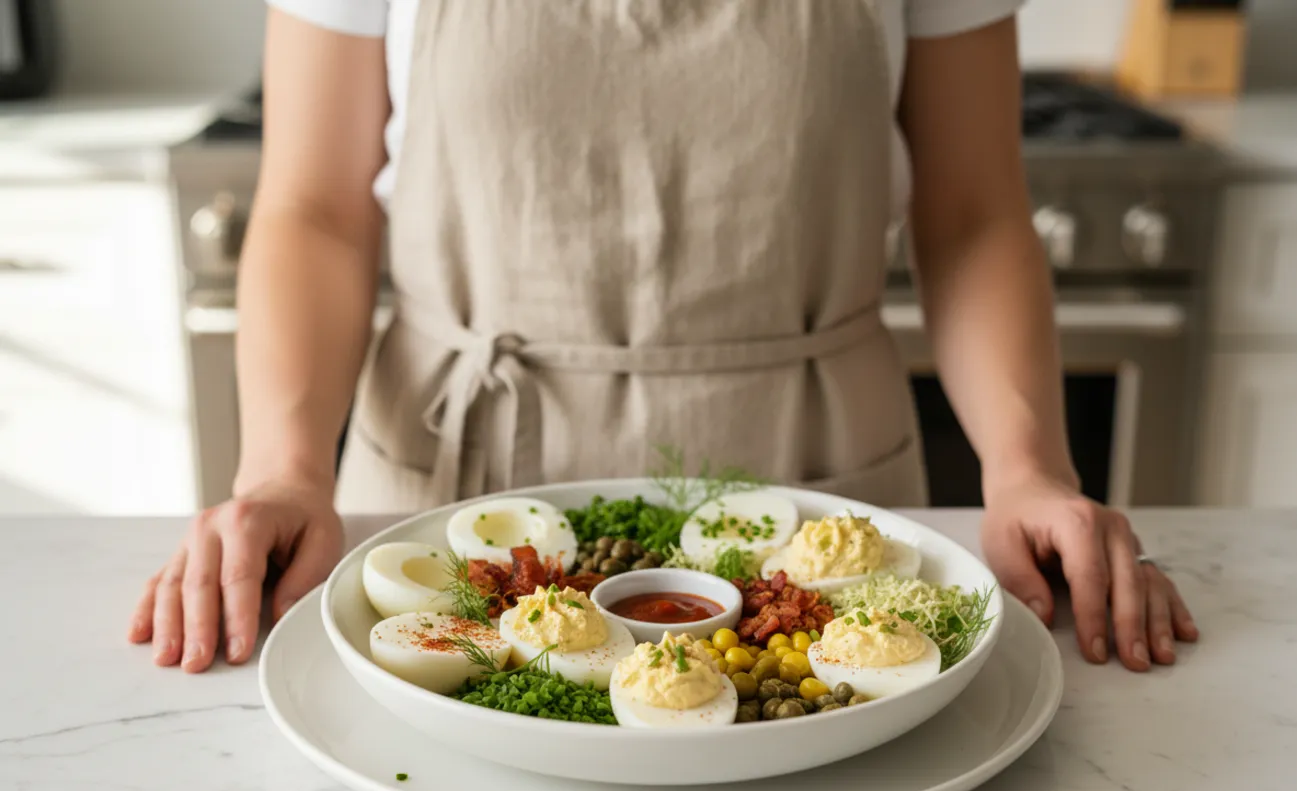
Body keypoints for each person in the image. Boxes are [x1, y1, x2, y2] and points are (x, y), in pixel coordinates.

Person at [129, 0, 1197, 675]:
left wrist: (1025, 469)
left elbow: (971, 211)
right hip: (453, 483)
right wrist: (280, 469)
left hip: (814, 489)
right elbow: (315, 207)